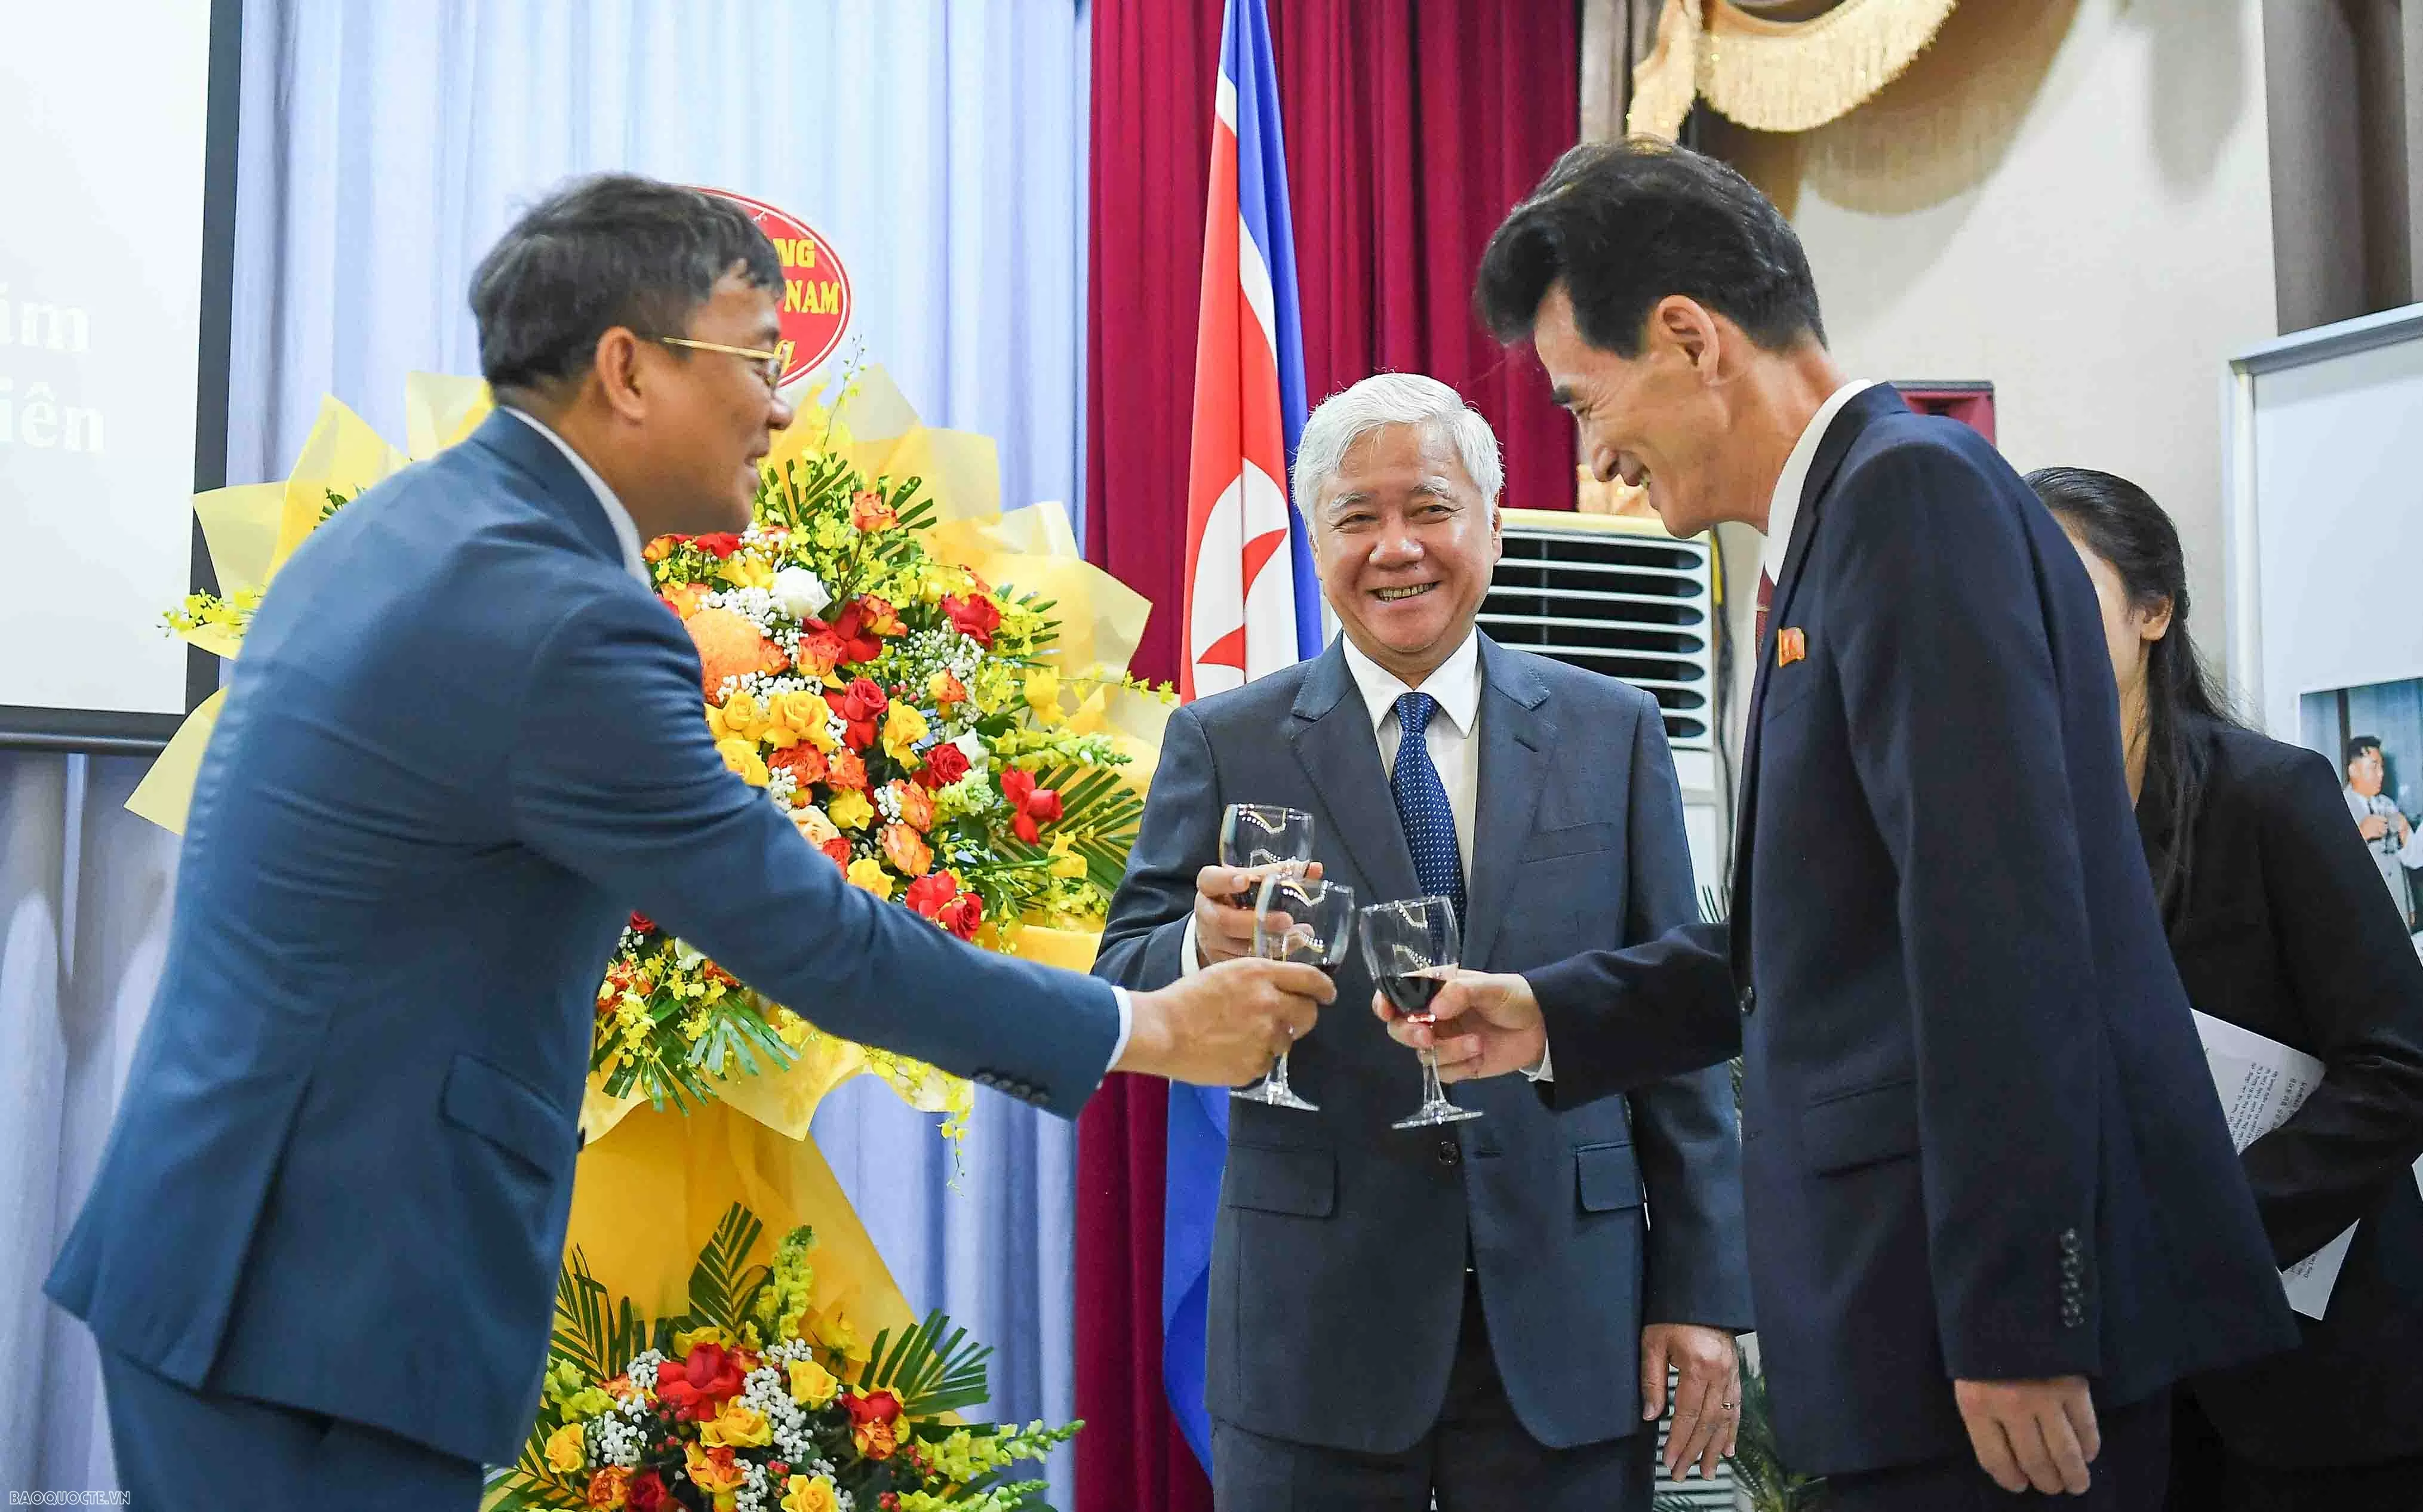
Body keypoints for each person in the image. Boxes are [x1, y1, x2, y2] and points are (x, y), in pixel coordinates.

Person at [43, 175, 1332, 1510]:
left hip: (247, 1255)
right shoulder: (557, 615)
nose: (782, 404)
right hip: (318, 1305)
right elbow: (812, 937)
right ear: (627, 369)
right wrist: (1155, 1028)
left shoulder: (414, 527)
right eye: (757, 359)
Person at [1377, 137, 2301, 1510]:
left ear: (1688, 337)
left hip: (1972, 1353)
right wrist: (1550, 1012)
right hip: (1902, 1338)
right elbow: (1809, 945)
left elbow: (1998, 925)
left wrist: (2015, 1319)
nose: (1594, 455)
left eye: (1586, 397)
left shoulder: (1906, 497)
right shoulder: (1832, 532)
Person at [1094, 372, 1750, 1511]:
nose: (1395, 547)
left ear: (1491, 522)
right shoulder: (1224, 738)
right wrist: (1198, 951)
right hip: (1315, 1329)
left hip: (1567, 1314)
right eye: (1356, 518)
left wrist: (1697, 1285)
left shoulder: (1612, 728)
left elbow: (1670, 1026)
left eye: (1429, 507)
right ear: (1315, 543)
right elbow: (1122, 983)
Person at [2027, 466, 2423, 1512]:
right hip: (2119, 1387)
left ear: (2151, 611)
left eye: (2060, 583)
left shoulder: (2267, 792)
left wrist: (2208, 1230)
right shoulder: (2011, 833)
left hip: (2316, 1371)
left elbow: (2398, 1064)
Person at [2342, 736, 2423, 927]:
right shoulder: (2337, 807)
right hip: (2362, 908)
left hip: (2397, 902)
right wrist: (2360, 834)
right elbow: (2328, 861)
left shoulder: (2388, 804)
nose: (2381, 774)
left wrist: (2409, 904)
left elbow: (2398, 860)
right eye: (2374, 767)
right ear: (2353, 770)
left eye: (2382, 767)